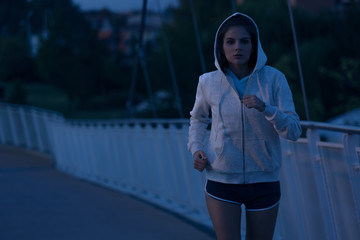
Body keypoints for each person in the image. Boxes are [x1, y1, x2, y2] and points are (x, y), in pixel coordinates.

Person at [188, 12, 302, 240]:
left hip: (264, 181)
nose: (237, 47)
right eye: (230, 41)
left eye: (244, 41)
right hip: (221, 180)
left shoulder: (274, 79)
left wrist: (266, 108)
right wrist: (196, 148)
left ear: (254, 45)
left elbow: (294, 130)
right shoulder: (207, 82)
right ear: (221, 46)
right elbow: (198, 119)